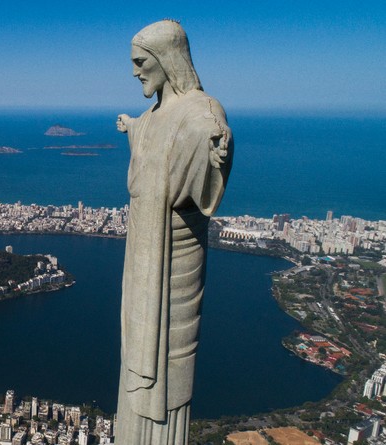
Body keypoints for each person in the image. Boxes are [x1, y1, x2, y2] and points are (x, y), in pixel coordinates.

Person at [115, 20, 233, 444]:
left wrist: (216, 150)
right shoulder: (155, 114)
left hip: (174, 262)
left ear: (166, 59)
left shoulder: (202, 112)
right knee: (134, 362)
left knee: (167, 372)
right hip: (142, 259)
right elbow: (152, 149)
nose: (134, 71)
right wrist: (134, 128)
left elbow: (204, 152)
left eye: (140, 61)